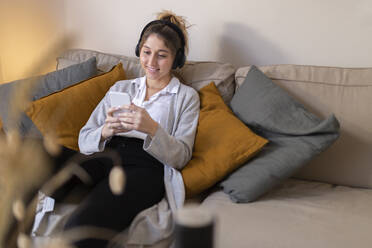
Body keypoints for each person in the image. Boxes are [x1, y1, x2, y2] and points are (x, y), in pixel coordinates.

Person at [62, 10, 200, 248]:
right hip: (105, 155)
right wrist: (104, 132)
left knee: (79, 227)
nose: (151, 62)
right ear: (139, 51)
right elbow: (84, 139)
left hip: (145, 166)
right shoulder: (122, 88)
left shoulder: (186, 97)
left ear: (177, 60)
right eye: (146, 52)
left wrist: (152, 129)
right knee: (36, 157)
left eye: (162, 55)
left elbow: (181, 156)